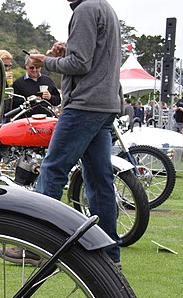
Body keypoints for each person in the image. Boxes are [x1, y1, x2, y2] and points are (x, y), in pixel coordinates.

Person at [21, 0, 124, 266]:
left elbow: (80, 63)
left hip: (84, 105)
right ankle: (110, 256)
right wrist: (65, 52)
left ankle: (34, 244)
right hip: (105, 104)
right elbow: (93, 56)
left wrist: (48, 61)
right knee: (100, 182)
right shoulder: (105, 8)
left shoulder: (85, 9)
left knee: (53, 168)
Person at [10, 49, 61, 115]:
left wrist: (50, 97)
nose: (34, 70)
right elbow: (13, 104)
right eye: (31, 67)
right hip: (26, 120)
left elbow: (58, 100)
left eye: (37, 67)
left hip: (46, 119)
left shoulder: (48, 80)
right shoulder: (18, 83)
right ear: (26, 66)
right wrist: (27, 100)